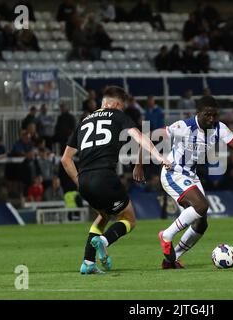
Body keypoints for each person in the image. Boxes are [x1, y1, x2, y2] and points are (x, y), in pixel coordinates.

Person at [133, 95, 233, 269]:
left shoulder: (220, 128)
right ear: (198, 113)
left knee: (201, 223)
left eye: (214, 115)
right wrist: (139, 166)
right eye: (207, 115)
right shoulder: (183, 126)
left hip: (191, 176)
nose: (211, 119)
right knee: (202, 206)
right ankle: (166, 235)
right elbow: (147, 137)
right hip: (173, 173)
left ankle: (171, 260)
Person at [61, 86, 171, 275]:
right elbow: (139, 137)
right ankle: (105, 241)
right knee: (129, 219)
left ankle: (88, 262)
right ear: (117, 104)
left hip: (85, 180)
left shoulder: (83, 122)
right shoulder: (117, 114)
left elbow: (65, 159)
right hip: (105, 177)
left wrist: (80, 181)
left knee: (104, 215)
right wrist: (159, 157)